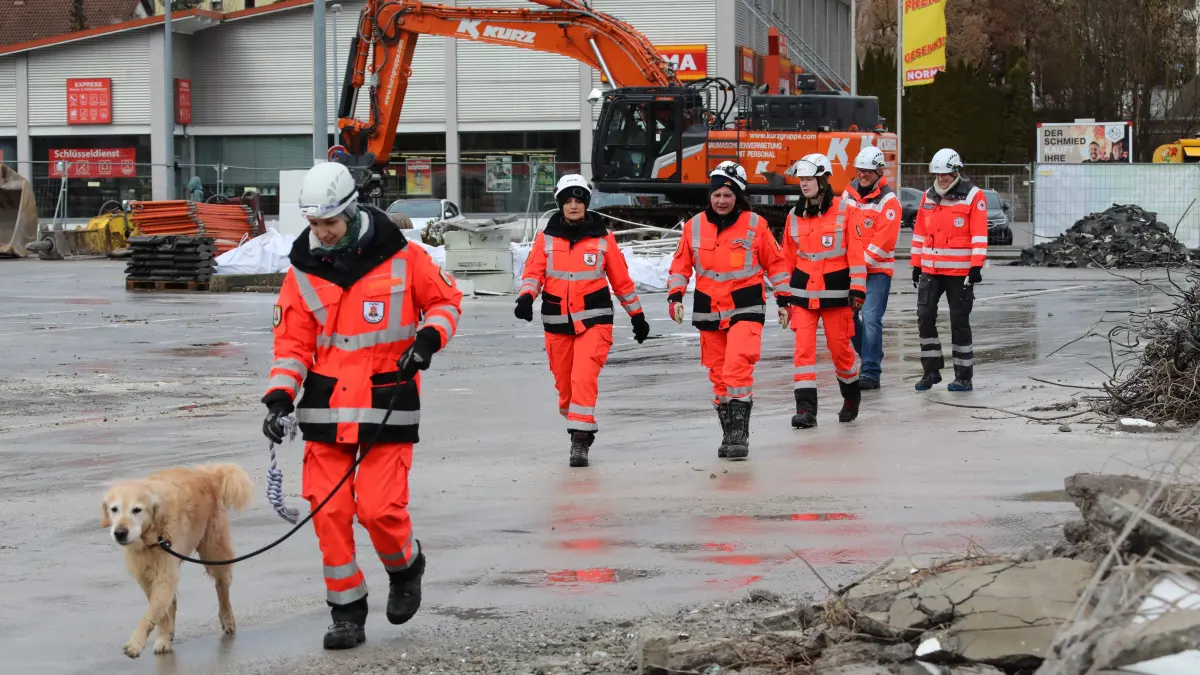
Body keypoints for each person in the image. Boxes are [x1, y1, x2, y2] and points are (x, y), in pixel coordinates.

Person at [261, 161, 463, 650]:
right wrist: (279, 396)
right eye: (314, 224)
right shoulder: (302, 271)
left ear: (351, 212)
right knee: (328, 511)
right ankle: (346, 611)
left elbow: (445, 302)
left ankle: (405, 567)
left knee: (378, 509)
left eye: (329, 222)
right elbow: (292, 345)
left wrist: (428, 339)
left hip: (387, 399)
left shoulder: (404, 258)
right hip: (326, 408)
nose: (322, 232)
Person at [515, 174, 650, 467]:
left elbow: (622, 282)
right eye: (568, 201)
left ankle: (579, 440)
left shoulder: (603, 239)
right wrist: (526, 297)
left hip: (595, 322)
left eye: (578, 200)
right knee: (566, 389)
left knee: (583, 378)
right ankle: (580, 423)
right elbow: (533, 273)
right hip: (557, 322)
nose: (573, 206)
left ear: (586, 203)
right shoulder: (546, 238)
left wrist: (637, 316)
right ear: (560, 205)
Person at [667, 161, 789, 459]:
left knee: (737, 366)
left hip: (745, 305)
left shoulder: (755, 225)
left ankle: (739, 436)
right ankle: (728, 433)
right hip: (709, 308)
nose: (721, 201)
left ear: (739, 197)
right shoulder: (694, 226)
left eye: (728, 195)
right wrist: (675, 295)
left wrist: (784, 299)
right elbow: (680, 265)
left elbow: (776, 264)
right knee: (718, 374)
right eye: (717, 195)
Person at [779, 154, 866, 429]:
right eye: (801, 180)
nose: (803, 184)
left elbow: (856, 254)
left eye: (808, 179)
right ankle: (805, 410)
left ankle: (851, 396)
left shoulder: (846, 211)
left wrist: (858, 289)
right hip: (802, 294)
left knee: (840, 351)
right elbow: (786, 259)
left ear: (823, 180)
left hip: (836, 295)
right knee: (803, 352)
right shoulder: (794, 215)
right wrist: (783, 296)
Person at [910, 148, 987, 392]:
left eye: (945, 174)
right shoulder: (928, 196)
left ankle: (964, 377)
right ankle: (931, 371)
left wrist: (975, 266)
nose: (941, 178)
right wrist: (916, 264)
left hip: (959, 274)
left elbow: (979, 236)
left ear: (956, 172)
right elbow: (920, 233)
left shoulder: (973, 196)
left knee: (959, 322)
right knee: (924, 317)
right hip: (931, 270)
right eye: (937, 174)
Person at [843, 146, 901, 389]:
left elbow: (883, 241)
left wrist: (858, 265)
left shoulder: (889, 201)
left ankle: (870, 371)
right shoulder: (848, 194)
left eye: (867, 171)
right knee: (847, 318)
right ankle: (871, 353)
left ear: (878, 171)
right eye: (859, 170)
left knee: (871, 318)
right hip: (851, 271)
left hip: (876, 272)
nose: (862, 175)